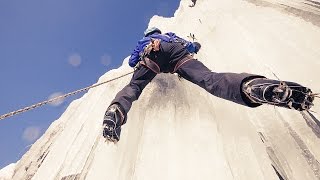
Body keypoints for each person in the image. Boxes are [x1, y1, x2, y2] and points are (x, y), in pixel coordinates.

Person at [102, 27, 315, 142]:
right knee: (209, 79)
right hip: (177, 52)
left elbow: (132, 62)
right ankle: (252, 88)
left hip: (151, 55)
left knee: (135, 87)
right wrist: (195, 45)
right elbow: (191, 46)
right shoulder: (170, 35)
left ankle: (116, 110)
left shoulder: (144, 41)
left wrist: (141, 58)